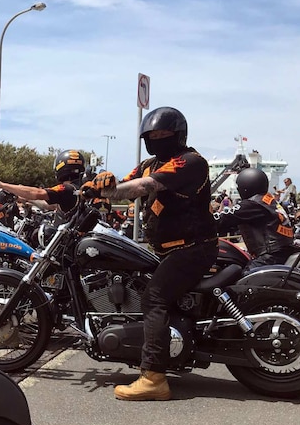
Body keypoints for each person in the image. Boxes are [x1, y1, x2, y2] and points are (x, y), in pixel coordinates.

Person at [82, 107, 217, 401]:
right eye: (152, 136)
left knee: (153, 298)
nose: (157, 139)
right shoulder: (150, 163)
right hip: (170, 251)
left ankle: (154, 377)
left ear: (178, 136)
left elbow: (143, 187)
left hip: (192, 249)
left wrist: (108, 191)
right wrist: (98, 183)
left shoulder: (191, 162)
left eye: (163, 135)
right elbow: (124, 182)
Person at [213, 168, 295, 272]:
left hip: (270, 256)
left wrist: (197, 222)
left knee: (241, 282)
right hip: (281, 251)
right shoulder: (268, 200)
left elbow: (223, 218)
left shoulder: (252, 204)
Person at [0, 149, 85, 215]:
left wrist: (2, 184)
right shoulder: (78, 189)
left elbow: (38, 193)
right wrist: (23, 199)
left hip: (64, 243)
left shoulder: (66, 189)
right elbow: (50, 205)